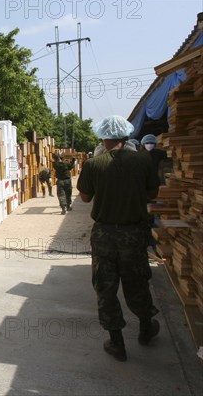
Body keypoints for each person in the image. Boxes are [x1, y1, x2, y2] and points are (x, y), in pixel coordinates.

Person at [77, 115, 160, 362]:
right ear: (127, 136)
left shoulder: (94, 164)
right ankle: (146, 328)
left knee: (105, 287)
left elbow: (84, 198)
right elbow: (153, 192)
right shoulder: (142, 161)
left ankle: (116, 342)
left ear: (103, 136)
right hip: (133, 233)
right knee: (137, 281)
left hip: (104, 235)